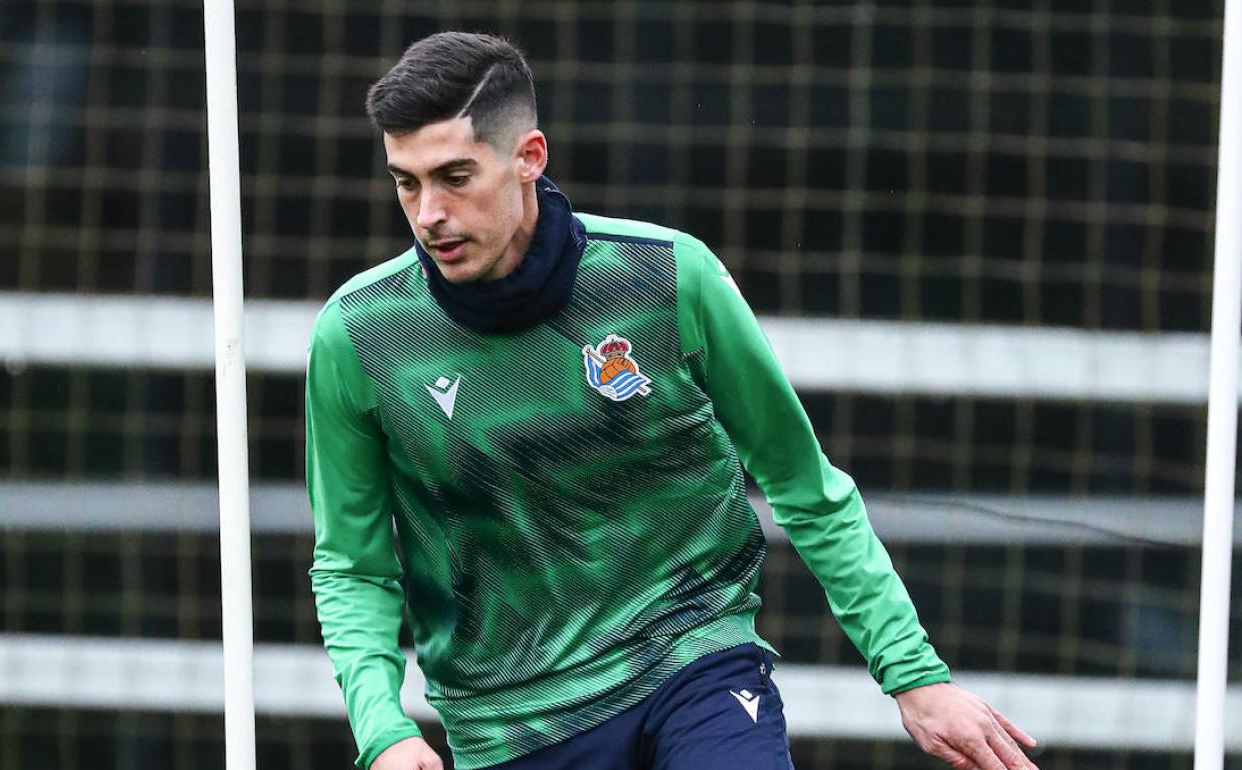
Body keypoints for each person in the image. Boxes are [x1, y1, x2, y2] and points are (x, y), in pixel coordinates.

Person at [306, 30, 1040, 770]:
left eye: (455, 177)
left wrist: (912, 673)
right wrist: (384, 730)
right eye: (407, 183)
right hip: (508, 725)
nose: (428, 212)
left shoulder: (669, 278)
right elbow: (352, 565)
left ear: (529, 157)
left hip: (693, 663)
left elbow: (804, 486)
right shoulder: (360, 335)